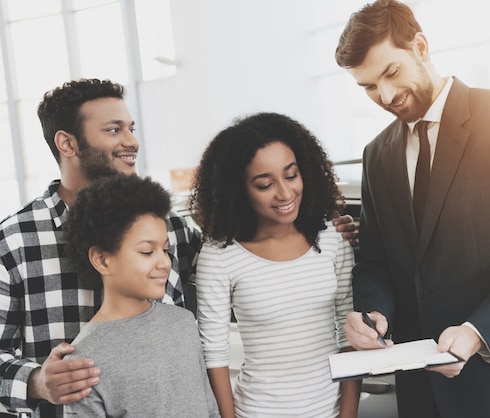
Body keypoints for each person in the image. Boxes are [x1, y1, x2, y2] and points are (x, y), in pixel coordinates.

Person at [0, 78, 356, 417]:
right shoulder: (14, 241)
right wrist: (36, 382)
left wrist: (316, 228)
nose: (131, 142)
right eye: (114, 130)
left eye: (131, 128)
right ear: (67, 143)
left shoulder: (170, 226)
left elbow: (247, 264)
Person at [334, 1, 490, 417]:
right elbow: (375, 260)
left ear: (421, 46)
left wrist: (478, 332)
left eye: (391, 73)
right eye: (368, 87)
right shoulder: (376, 154)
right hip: (420, 393)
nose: (386, 96)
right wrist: (372, 312)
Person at [191, 112, 361, 418]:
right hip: (257, 411)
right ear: (238, 189)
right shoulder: (219, 255)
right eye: (265, 184)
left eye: (291, 175)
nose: (285, 193)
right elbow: (214, 355)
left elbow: (348, 334)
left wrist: (349, 415)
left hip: (330, 410)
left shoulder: (333, 236)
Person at [61, 173, 219, 417]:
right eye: (147, 252)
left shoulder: (183, 322)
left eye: (165, 249)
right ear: (102, 260)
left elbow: (209, 409)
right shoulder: (84, 359)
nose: (164, 262)